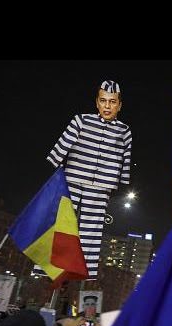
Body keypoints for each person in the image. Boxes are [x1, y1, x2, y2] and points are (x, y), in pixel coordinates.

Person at [45, 80, 132, 279]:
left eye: (112, 102)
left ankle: (83, 269)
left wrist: (119, 182)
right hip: (73, 180)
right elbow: (60, 148)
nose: (107, 106)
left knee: (92, 229)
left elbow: (125, 160)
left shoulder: (124, 131)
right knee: (63, 224)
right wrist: (57, 168)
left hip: (102, 185)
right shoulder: (81, 121)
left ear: (119, 105)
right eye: (103, 101)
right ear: (97, 102)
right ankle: (49, 267)